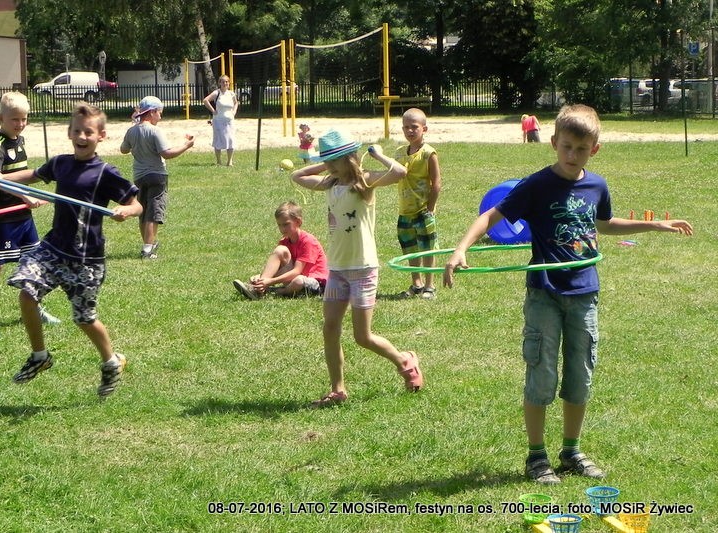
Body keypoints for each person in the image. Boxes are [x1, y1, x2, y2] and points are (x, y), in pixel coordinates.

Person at [444, 104, 693, 484]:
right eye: (566, 147)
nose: (572, 155)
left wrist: (655, 224)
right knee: (541, 373)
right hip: (545, 293)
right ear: (553, 142)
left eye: (581, 149)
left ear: (595, 149)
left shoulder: (597, 186)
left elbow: (605, 224)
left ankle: (571, 451)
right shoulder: (537, 185)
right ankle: (536, 457)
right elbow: (492, 216)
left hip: (584, 293)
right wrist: (461, 249)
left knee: (580, 374)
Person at [3, 103, 143, 398]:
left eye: (88, 132)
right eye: (77, 131)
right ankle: (40, 356)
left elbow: (137, 204)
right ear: (69, 132)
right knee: (27, 292)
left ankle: (111, 361)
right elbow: (33, 175)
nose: (82, 136)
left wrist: (125, 211)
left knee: (84, 318)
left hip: (86, 260)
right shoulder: (61, 164)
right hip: (53, 248)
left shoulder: (105, 172)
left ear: (101, 136)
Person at [291, 129, 424, 407]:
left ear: (348, 158)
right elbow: (298, 176)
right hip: (337, 269)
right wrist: (326, 165)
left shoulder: (364, 182)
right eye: (327, 161)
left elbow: (399, 172)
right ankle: (337, 390)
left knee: (363, 336)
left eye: (333, 160)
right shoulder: (329, 184)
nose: (328, 166)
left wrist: (378, 155)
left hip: (362, 268)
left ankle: (404, 361)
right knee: (330, 328)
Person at [0, 91, 60, 340]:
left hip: (23, 217)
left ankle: (34, 310)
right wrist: (25, 197)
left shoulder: (19, 140)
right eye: (15, 119)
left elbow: (21, 177)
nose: (20, 124)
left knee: (33, 264)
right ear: (0, 118)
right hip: (1, 219)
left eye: (24, 119)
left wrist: (30, 196)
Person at [120, 95, 194, 260]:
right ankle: (148, 249)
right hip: (157, 176)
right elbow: (166, 153)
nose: (160, 116)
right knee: (153, 213)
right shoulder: (155, 131)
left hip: (139, 177)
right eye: (160, 112)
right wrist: (186, 146)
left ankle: (148, 244)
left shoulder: (131, 131)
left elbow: (123, 149)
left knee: (143, 211)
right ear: (152, 112)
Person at [233, 201, 328, 300]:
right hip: (296, 278)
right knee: (280, 250)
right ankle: (259, 288)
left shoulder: (308, 241)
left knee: (298, 281)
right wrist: (261, 278)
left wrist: (270, 281)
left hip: (316, 283)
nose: (282, 229)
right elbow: (278, 269)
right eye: (279, 225)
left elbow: (296, 271)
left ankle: (274, 292)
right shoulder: (284, 242)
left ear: (298, 222)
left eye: (286, 224)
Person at [393, 108, 442, 300]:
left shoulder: (428, 153)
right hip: (405, 211)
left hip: (423, 211)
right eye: (406, 127)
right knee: (410, 248)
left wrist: (430, 207)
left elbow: (436, 182)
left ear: (424, 129)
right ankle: (417, 283)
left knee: (427, 248)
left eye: (414, 127)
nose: (410, 131)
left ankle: (430, 285)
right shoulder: (399, 153)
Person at [203, 75, 238, 166]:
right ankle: (219, 161)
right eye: (223, 82)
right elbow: (205, 100)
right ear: (220, 83)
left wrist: (234, 111)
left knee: (230, 139)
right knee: (218, 140)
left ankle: (229, 161)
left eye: (227, 81)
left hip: (229, 121)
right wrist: (213, 111)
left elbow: (236, 103)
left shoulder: (231, 94)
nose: (225, 83)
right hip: (218, 120)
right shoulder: (217, 93)